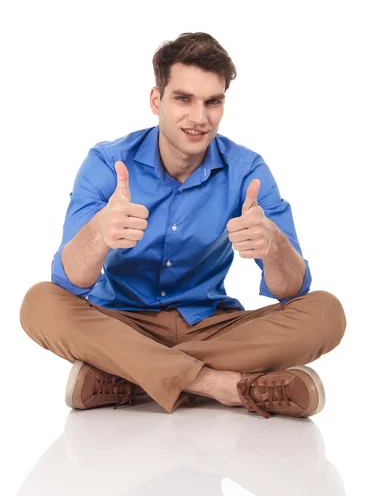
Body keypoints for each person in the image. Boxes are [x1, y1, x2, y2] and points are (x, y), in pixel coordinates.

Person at [19, 32, 346, 419]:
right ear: (156, 100)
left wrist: (274, 246)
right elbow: (69, 281)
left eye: (213, 102)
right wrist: (99, 232)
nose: (199, 117)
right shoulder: (109, 162)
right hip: (121, 323)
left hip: (211, 326)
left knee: (327, 313)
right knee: (39, 303)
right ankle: (226, 386)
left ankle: (130, 376)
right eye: (184, 99)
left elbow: (292, 290)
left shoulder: (247, 171)